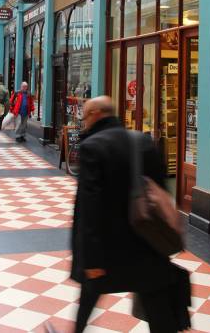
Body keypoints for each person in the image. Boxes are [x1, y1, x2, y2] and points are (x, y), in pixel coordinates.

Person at [70, 96, 189, 333]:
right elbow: (161, 194)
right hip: (146, 242)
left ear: (95, 115)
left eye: (84, 117)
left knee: (87, 302)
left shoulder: (92, 147)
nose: (83, 123)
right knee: (158, 309)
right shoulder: (142, 142)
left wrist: (91, 260)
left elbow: (89, 209)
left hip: (107, 247)